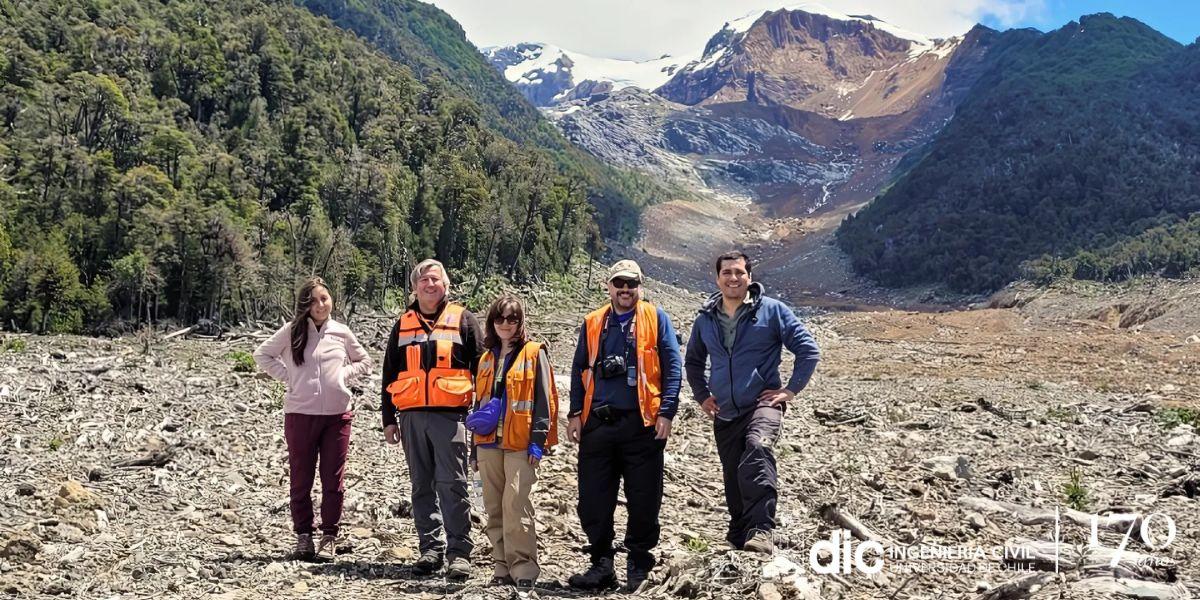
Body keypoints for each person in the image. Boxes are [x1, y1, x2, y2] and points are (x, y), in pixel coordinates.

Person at [684, 251, 820, 554]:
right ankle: (739, 530)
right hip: (725, 410)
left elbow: (808, 350)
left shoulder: (772, 311)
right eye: (727, 273)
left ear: (750, 277)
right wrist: (702, 395)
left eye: (739, 273)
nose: (733, 278)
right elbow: (693, 362)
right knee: (732, 471)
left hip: (763, 403)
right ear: (717, 278)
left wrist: (790, 391)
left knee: (758, 448)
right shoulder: (705, 318)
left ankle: (762, 529)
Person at [566, 259, 682, 592]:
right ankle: (601, 563)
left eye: (631, 283)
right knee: (592, 499)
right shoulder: (592, 323)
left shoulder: (656, 318)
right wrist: (576, 414)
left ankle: (638, 563)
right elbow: (578, 371)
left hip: (642, 425)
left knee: (644, 498)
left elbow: (672, 368)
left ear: (640, 286)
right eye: (619, 283)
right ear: (609, 286)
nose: (625, 289)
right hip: (598, 426)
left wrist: (667, 412)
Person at [253, 276, 374, 560]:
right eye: (314, 300)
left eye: (325, 298)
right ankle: (303, 536)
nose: (321, 305)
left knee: (333, 478)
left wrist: (343, 375)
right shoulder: (292, 331)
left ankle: (329, 535)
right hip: (300, 415)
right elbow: (263, 355)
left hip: (337, 416)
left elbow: (365, 361)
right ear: (305, 305)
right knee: (301, 477)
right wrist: (290, 378)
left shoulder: (341, 332)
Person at [380, 259, 483, 580]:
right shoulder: (403, 324)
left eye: (435, 279)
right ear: (414, 287)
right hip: (410, 417)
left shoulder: (464, 320)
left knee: (453, 485)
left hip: (450, 417)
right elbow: (389, 373)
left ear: (446, 285)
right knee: (421, 486)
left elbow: (483, 370)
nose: (429, 284)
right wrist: (388, 419)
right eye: (423, 280)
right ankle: (430, 548)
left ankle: (458, 553)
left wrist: (482, 418)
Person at [465, 294, 558, 590]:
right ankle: (501, 565)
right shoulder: (485, 358)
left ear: (521, 322)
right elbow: (479, 405)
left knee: (516, 503)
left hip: (520, 442)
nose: (506, 324)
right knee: (492, 506)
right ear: (492, 322)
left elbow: (545, 400)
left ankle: (524, 567)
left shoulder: (534, 353)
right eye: (500, 318)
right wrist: (473, 449)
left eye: (513, 318)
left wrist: (538, 442)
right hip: (487, 443)